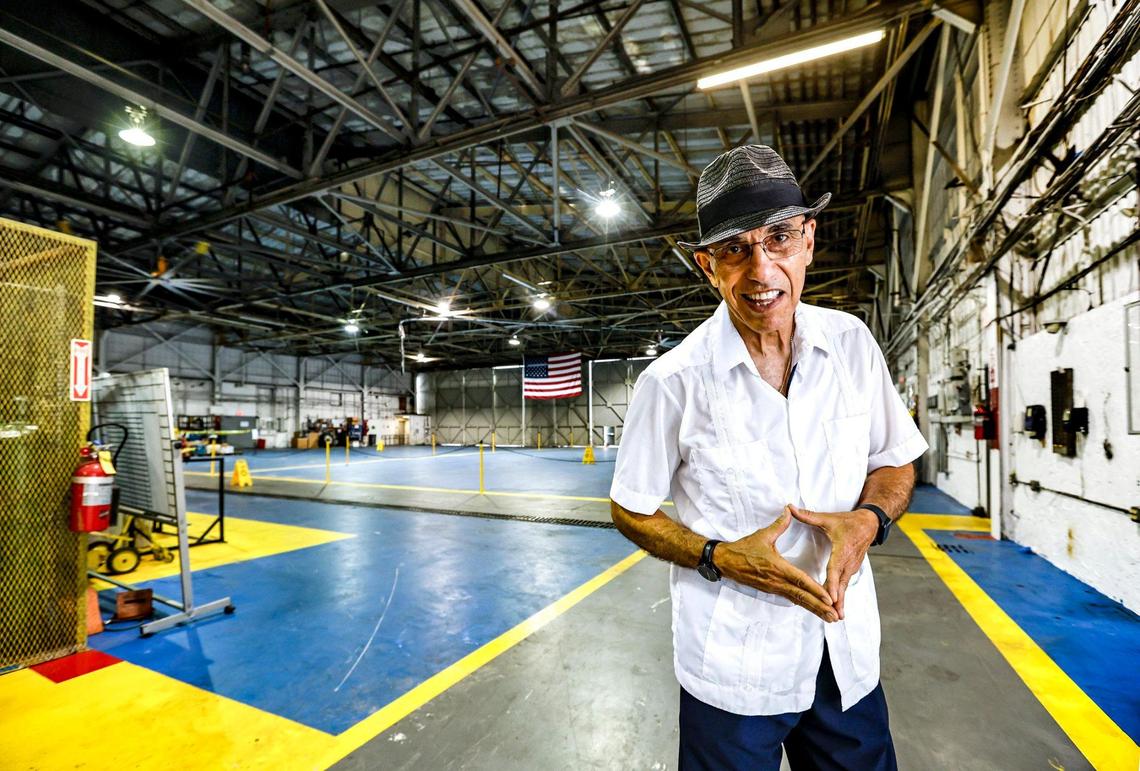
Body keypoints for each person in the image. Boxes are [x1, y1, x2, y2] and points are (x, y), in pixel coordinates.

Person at [609, 145, 928, 770]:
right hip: (732, 667)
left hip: (844, 655)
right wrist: (718, 557)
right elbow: (630, 507)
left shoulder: (852, 346)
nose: (761, 270)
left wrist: (869, 521)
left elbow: (895, 460)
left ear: (808, 240)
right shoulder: (672, 382)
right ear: (708, 265)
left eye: (779, 238)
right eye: (736, 249)